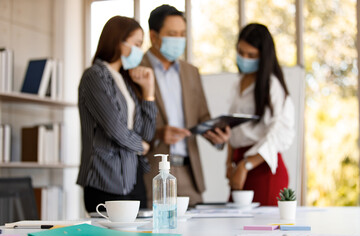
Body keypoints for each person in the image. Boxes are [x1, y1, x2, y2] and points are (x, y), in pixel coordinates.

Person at [141, 4, 231, 207]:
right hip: (152, 174)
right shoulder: (137, 69)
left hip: (191, 175)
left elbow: (203, 117)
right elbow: (128, 124)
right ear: (154, 36)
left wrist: (218, 137)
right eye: (172, 34)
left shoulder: (191, 72)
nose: (178, 40)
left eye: (182, 34)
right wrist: (158, 133)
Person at [76, 16, 157, 212]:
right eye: (137, 44)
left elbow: (146, 134)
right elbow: (114, 127)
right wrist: (140, 146)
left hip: (133, 176)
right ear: (118, 41)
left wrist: (148, 92)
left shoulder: (125, 80)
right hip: (105, 178)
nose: (140, 50)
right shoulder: (94, 75)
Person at [226, 23, 295, 206]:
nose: (244, 58)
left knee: (263, 231)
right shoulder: (237, 84)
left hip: (262, 168)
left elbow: (279, 133)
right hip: (239, 166)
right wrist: (229, 163)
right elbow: (233, 130)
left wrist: (246, 165)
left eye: (251, 55)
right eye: (241, 52)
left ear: (263, 57)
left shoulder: (272, 85)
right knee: (235, 229)